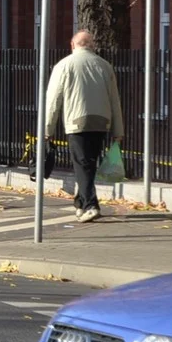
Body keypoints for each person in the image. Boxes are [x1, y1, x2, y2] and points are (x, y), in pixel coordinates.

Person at [45, 30, 124, 223]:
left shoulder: (64, 65)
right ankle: (80, 203)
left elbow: (53, 101)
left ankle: (90, 205)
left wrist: (47, 129)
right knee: (88, 163)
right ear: (92, 46)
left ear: (73, 45)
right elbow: (115, 100)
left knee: (83, 164)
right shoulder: (105, 66)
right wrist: (118, 130)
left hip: (77, 121)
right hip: (101, 121)